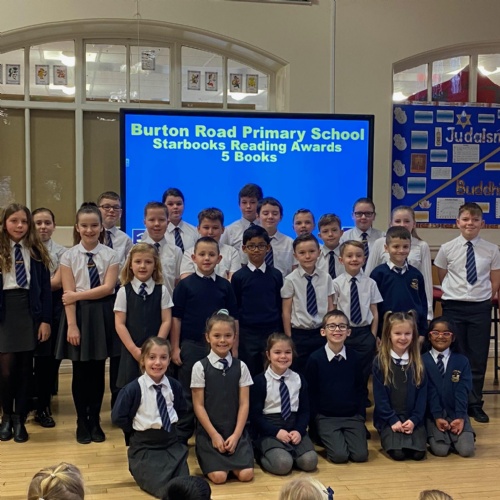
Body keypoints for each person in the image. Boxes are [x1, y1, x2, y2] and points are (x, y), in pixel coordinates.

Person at [55, 202, 119, 444]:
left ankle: (95, 420)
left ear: (101, 227)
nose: (89, 230)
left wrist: (77, 295)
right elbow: (67, 295)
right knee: (80, 372)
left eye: (94, 225)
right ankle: (82, 420)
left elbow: (108, 288)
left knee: (98, 371)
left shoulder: (110, 255)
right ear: (77, 227)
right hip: (78, 316)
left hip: (102, 314)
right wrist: (72, 325)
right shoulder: (68, 256)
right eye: (84, 226)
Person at [434, 202, 500, 424]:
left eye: (475, 220)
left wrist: (481, 298)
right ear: (458, 222)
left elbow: (495, 280)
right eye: (465, 219)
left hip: (480, 307)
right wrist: (457, 294)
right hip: (454, 306)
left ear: (482, 223)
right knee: (454, 355)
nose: (470, 223)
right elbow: (443, 275)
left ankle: (474, 403)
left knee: (477, 357)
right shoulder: (447, 248)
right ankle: (453, 402)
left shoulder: (491, 250)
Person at [171, 237, 239, 443]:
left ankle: (208, 434)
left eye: (211, 255)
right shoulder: (185, 285)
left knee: (214, 390)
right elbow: (176, 318)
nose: (207, 258)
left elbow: (234, 319)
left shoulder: (225, 286)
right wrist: (175, 347)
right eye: (202, 254)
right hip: (191, 345)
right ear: (193, 258)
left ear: (219, 258)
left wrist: (234, 348)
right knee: (188, 390)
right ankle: (183, 434)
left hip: (219, 348)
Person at [112, 337, 189, 498]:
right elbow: (119, 417)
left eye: (163, 357)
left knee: (183, 486)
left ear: (169, 360)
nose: (157, 363)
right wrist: (133, 430)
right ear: (143, 360)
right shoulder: (133, 389)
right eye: (152, 357)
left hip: (171, 444)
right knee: (163, 490)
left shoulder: (174, 386)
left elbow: (181, 409)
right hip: (145, 447)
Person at [0, 203, 52, 443]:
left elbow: (45, 291)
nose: (19, 225)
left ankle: (20, 418)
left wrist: (45, 320)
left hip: (29, 312)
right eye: (14, 221)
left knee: (24, 369)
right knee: (5, 370)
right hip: (5, 312)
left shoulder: (36, 251)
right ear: (4, 224)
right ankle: (6, 416)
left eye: (24, 221)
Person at [191, 310, 254, 484]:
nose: (222, 340)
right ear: (207, 337)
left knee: (246, 475)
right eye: (217, 336)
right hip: (210, 433)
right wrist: (214, 435)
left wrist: (236, 435)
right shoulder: (199, 367)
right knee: (219, 477)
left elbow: (244, 404)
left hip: (235, 431)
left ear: (234, 337)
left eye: (228, 335)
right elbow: (198, 406)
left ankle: (237, 452)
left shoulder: (241, 367)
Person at [305, 310, 368, 463]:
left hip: (351, 416)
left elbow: (361, 389)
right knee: (339, 456)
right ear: (323, 331)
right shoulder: (315, 359)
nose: (337, 330)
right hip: (326, 417)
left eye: (342, 326)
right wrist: (314, 422)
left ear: (348, 332)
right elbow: (310, 393)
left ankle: (347, 436)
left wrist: (360, 415)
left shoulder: (355, 357)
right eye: (332, 326)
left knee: (360, 456)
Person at [250, 333, 317, 475]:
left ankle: (291, 454)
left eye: (287, 352)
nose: (283, 356)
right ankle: (261, 453)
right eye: (277, 352)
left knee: (310, 461)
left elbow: (305, 411)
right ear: (268, 355)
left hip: (293, 428)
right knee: (283, 464)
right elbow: (255, 416)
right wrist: (276, 432)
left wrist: (299, 430)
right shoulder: (260, 381)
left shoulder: (298, 379)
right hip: (270, 430)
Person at [114, 242, 172, 388]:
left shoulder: (162, 290)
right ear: (130, 265)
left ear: (155, 265)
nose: (143, 266)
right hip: (132, 351)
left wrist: (156, 348)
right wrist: (135, 350)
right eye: (138, 261)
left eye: (148, 262)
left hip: (156, 354)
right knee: (132, 389)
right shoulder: (123, 291)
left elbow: (166, 320)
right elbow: (119, 324)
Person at [372, 311, 427, 461]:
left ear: (413, 335)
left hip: (412, 418)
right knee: (398, 454)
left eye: (407, 333)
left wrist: (415, 419)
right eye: (397, 333)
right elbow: (380, 397)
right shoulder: (380, 362)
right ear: (388, 334)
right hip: (389, 418)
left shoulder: (418, 362)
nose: (403, 338)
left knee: (418, 454)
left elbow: (422, 395)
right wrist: (392, 419)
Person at [333, 240, 382, 404]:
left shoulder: (370, 283)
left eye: (358, 255)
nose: (354, 259)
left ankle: (362, 397)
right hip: (343, 332)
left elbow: (374, 311)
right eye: (349, 256)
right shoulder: (336, 283)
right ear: (341, 260)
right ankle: (346, 396)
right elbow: (333, 311)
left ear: (364, 258)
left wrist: (372, 335)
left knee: (363, 368)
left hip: (364, 332)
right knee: (344, 367)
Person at [364, 205, 433, 320]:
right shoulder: (379, 243)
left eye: (407, 221)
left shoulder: (422, 246)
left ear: (414, 224)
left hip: (411, 308)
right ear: (390, 224)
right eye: (397, 221)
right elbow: (368, 277)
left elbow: (426, 283)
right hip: (386, 308)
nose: (402, 224)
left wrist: (428, 315)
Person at [231, 226, 283, 376]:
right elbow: (236, 307)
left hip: (271, 331)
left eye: (261, 246)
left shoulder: (276, 275)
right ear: (244, 248)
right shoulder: (239, 277)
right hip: (248, 334)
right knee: (250, 372)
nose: (256, 250)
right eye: (251, 246)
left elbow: (279, 304)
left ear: (268, 248)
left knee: (272, 371)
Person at [97, 191, 134, 407]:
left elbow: (128, 271)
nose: (111, 211)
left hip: (118, 298)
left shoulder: (125, 240)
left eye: (116, 207)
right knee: (98, 352)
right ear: (98, 209)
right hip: (95, 299)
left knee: (117, 353)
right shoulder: (91, 234)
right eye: (106, 206)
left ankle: (117, 404)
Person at [32, 207, 67, 428]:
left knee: (48, 361)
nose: (43, 227)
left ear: (54, 226)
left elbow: (57, 282)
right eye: (38, 223)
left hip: (52, 309)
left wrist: (35, 287)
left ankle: (42, 406)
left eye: (47, 223)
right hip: (26, 310)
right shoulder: (24, 250)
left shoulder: (63, 252)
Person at [422, 316, 475, 457]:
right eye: (435, 332)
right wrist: (437, 416)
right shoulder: (421, 361)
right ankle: (440, 436)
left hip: (457, 412)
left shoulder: (461, 361)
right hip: (433, 414)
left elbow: (462, 390)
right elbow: (429, 392)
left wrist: (460, 417)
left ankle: (456, 433)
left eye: (446, 333)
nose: (440, 336)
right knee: (440, 451)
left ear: (453, 337)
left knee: (466, 450)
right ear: (429, 336)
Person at [281, 234, 334, 373]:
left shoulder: (326, 277)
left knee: (321, 370)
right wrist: (289, 337)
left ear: (319, 252)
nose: (308, 256)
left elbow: (330, 307)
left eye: (312, 251)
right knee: (301, 371)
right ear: (295, 256)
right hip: (299, 334)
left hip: (321, 332)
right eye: (302, 253)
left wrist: (330, 331)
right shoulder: (290, 280)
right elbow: (286, 312)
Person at [370, 226, 428, 338]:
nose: (401, 251)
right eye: (396, 246)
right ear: (386, 248)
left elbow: (423, 303)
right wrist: (376, 334)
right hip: (385, 330)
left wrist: (422, 332)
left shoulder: (416, 274)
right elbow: (373, 307)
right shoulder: (378, 274)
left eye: (405, 247)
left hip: (411, 330)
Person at [180, 207, 240, 281]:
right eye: (206, 227)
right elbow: (187, 282)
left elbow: (234, 282)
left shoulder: (232, 252)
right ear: (198, 229)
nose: (210, 232)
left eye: (215, 228)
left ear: (222, 229)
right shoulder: (189, 253)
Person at [140, 201, 182, 298]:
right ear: (145, 222)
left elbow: (177, 281)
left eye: (161, 220)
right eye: (152, 220)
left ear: (168, 222)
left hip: (168, 302)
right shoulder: (135, 251)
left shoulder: (176, 251)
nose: (157, 224)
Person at [220, 183, 263, 261]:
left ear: (260, 204)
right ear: (239, 204)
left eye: (252, 202)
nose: (248, 206)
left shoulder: (266, 228)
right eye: (244, 202)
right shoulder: (229, 231)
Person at [340, 197, 383, 269]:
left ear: (374, 216)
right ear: (352, 215)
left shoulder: (382, 237)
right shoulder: (343, 238)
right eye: (359, 213)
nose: (363, 217)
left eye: (368, 213)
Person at [256, 197, 294, 277]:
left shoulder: (289, 243)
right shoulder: (249, 241)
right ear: (257, 216)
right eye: (265, 213)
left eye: (275, 213)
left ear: (281, 217)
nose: (270, 217)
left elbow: (294, 270)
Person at [162, 187, 199, 252]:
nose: (175, 207)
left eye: (179, 204)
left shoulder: (194, 231)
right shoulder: (158, 232)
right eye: (170, 204)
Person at [316, 213, 344, 280]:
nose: (330, 234)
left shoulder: (349, 255)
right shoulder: (316, 257)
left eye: (334, 230)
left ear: (341, 233)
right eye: (325, 231)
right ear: (320, 236)